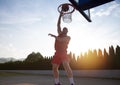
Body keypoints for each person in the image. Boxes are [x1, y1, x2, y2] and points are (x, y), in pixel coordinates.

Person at [48, 13, 75, 85]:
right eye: (63, 29)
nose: (64, 30)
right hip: (57, 53)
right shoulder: (60, 34)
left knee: (66, 65)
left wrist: (54, 36)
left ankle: (72, 83)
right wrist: (60, 15)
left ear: (67, 31)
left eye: (65, 29)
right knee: (54, 68)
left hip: (63, 53)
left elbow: (61, 40)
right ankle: (57, 83)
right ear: (62, 30)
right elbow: (58, 24)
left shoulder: (68, 37)